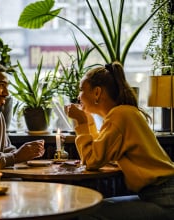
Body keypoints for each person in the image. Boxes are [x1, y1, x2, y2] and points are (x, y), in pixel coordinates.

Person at [65, 61, 174, 219]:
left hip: (164, 199)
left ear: (97, 92)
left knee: (87, 214)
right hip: (159, 194)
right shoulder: (123, 113)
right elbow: (100, 153)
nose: (78, 96)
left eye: (81, 90)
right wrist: (87, 120)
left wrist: (81, 123)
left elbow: (91, 161)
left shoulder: (120, 115)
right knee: (93, 207)